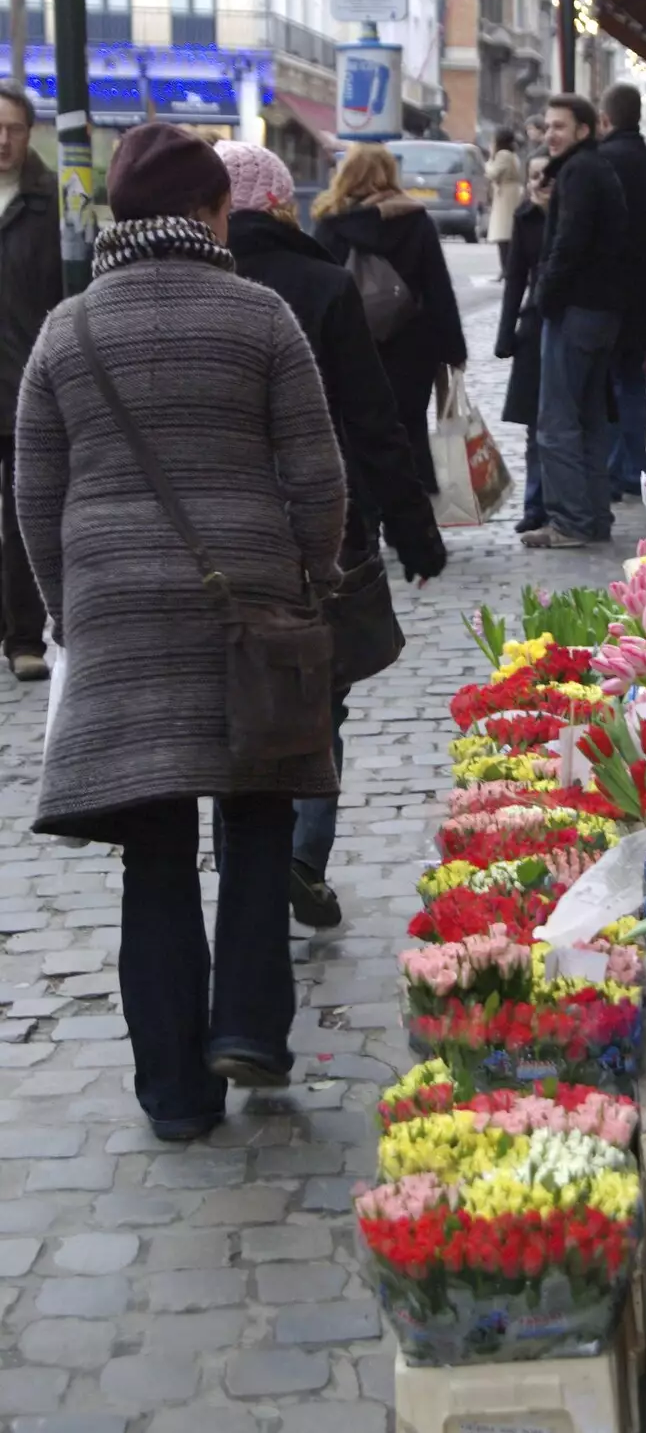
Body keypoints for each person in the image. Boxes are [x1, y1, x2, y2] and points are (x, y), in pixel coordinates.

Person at [15, 123, 347, 1142]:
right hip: (245, 607)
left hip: (117, 615)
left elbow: (32, 492)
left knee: (153, 853)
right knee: (253, 819)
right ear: (213, 213)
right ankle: (247, 1024)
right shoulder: (262, 317)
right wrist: (313, 578)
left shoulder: (66, 332)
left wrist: (69, 606)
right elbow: (318, 476)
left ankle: (174, 1093)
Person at [215, 140, 446, 929]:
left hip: (216, 529)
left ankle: (250, 859)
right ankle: (303, 854)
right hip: (325, 518)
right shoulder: (319, 282)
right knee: (323, 696)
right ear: (280, 203)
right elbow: (373, 417)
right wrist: (417, 533)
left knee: (231, 697)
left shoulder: (197, 283)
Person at [313, 145, 467, 498]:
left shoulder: (331, 224)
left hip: (351, 343)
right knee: (409, 424)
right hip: (412, 343)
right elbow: (438, 287)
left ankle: (364, 508)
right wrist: (453, 349)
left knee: (355, 426)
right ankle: (414, 507)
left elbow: (319, 285)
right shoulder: (416, 221)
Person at [522, 94, 626, 551]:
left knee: (558, 422)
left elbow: (570, 243)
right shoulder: (593, 169)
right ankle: (593, 518)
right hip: (599, 310)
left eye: (560, 126)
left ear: (584, 130)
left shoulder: (582, 172)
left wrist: (544, 295)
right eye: (547, 127)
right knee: (586, 419)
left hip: (577, 310)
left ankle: (570, 522)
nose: (551, 134)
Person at [0, 79, 61, 683]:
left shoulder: (53, 202)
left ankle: (24, 637)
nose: (2, 140)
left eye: (13, 128)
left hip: (25, 386)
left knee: (24, 516)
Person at [597, 82, 646, 499]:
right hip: (645, 290)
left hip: (609, 292)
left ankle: (615, 467)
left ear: (605, 120)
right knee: (631, 380)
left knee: (607, 385)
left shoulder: (603, 161)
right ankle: (634, 464)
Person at [496, 148, 550, 535]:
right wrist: (505, 334)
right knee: (534, 423)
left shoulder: (572, 217)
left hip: (566, 324)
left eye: (547, 176)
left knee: (565, 423)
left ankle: (563, 501)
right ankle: (535, 505)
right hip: (533, 326)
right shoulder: (524, 218)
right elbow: (515, 277)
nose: (540, 184)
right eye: (534, 177)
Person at [485, 128, 523, 278]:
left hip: (505, 196)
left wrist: (488, 160)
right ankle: (507, 269)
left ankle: (507, 270)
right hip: (509, 194)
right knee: (506, 233)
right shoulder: (512, 154)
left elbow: (492, 173)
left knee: (503, 234)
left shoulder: (502, 155)